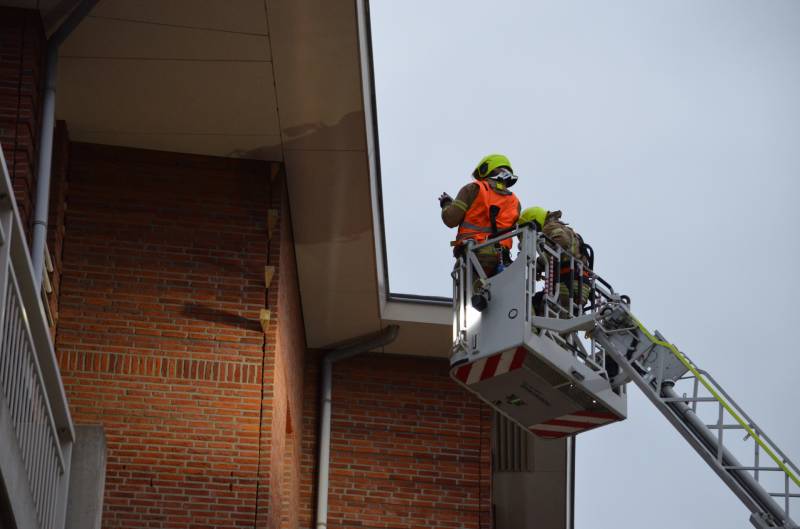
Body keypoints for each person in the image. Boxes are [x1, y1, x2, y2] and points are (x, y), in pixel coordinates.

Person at [439, 154, 521, 276]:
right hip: (502, 260)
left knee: (472, 287)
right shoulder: (515, 201)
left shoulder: (474, 188)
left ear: (485, 169)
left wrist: (446, 204)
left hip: (475, 254)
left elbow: (451, 219)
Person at [519, 206, 592, 316]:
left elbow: (562, 243)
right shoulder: (564, 228)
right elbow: (564, 254)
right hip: (580, 286)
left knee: (527, 305)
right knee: (565, 318)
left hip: (566, 285)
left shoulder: (549, 227)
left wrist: (540, 263)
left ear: (534, 222)